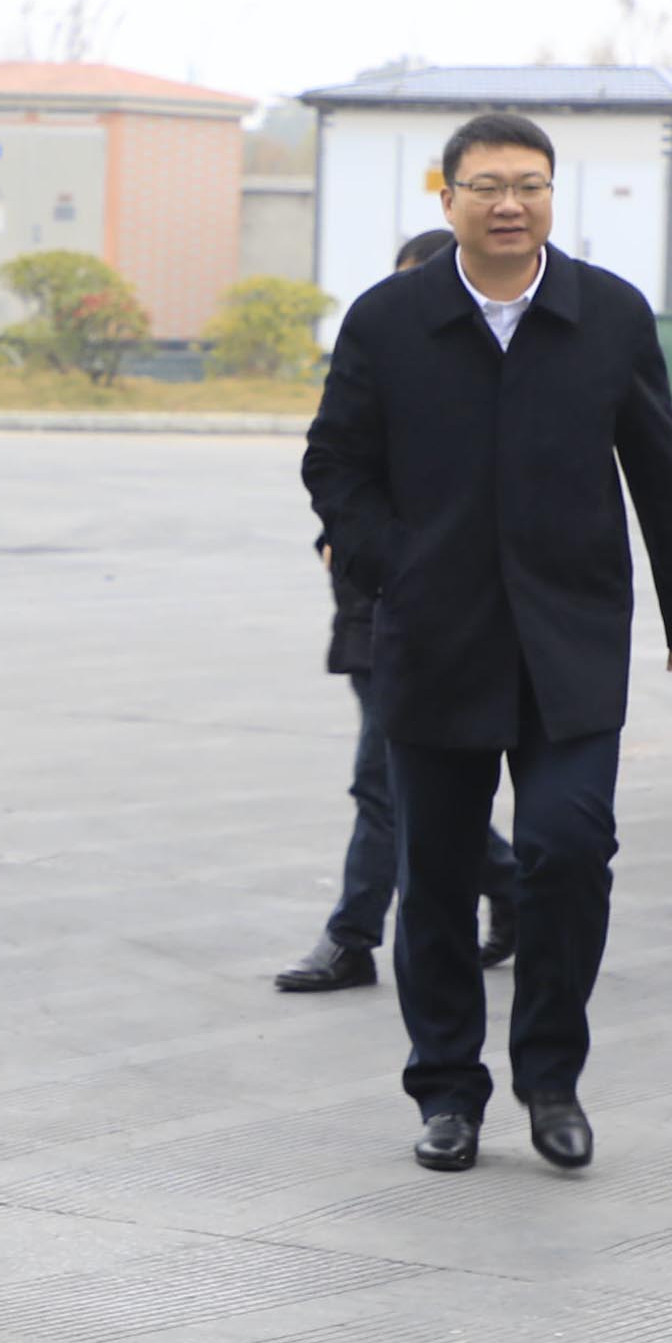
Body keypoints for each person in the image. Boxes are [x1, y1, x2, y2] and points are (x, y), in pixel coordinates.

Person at [303, 112, 672, 1175]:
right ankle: (447, 1090)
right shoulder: (390, 320)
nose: (510, 204)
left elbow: (658, 463)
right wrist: (393, 567)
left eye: (530, 185)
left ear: (550, 195)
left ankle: (550, 1079)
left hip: (567, 638)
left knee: (567, 850)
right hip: (435, 639)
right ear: (445, 197)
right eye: (487, 185)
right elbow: (334, 464)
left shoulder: (606, 313)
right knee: (436, 877)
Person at [279, 228, 516, 993]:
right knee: (400, 783)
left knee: (385, 784)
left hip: (434, 618)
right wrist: (343, 542)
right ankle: (511, 884)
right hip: (370, 615)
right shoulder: (379, 368)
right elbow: (340, 472)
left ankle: (352, 937)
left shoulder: (471, 393)